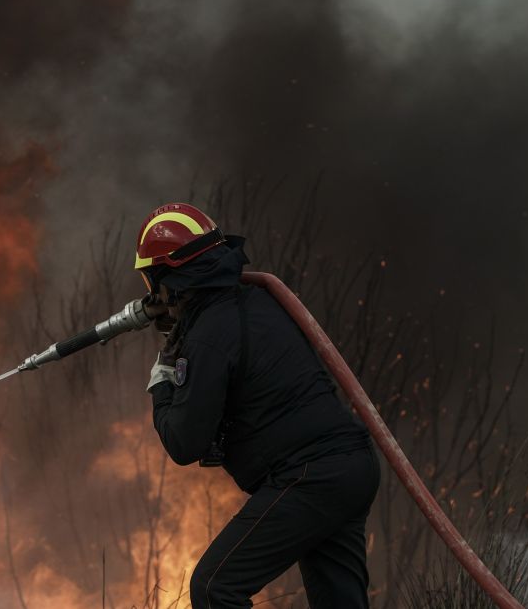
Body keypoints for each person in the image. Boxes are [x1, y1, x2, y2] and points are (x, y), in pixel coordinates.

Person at [135, 202, 380, 608]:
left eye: (151, 280)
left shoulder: (210, 334)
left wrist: (161, 382)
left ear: (167, 277)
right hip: (352, 469)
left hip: (309, 477)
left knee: (215, 587)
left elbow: (184, 443)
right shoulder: (258, 300)